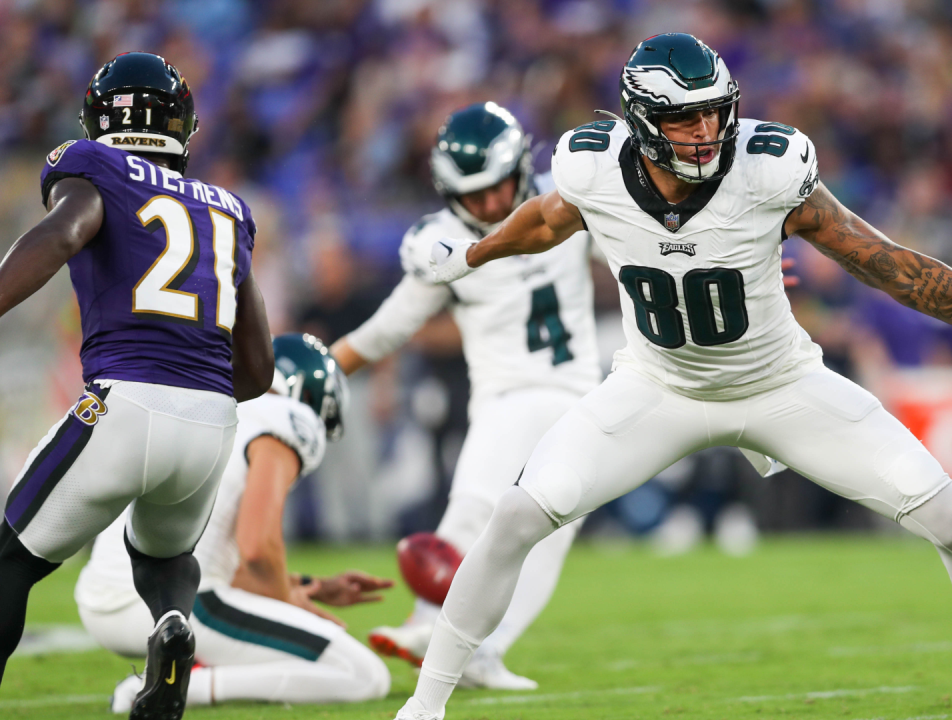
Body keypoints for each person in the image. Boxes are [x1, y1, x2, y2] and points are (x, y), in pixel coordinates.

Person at [395, 33, 952, 720]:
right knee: (519, 514)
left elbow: (893, 266)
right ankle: (424, 707)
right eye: (686, 121)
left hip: (780, 385)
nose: (707, 134)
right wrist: (469, 258)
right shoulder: (592, 167)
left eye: (715, 114)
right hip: (658, 388)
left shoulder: (768, 169)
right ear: (645, 123)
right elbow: (544, 221)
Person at [0, 52, 275, 720]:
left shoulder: (94, 167)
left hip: (124, 399)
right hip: (212, 420)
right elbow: (259, 369)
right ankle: (171, 624)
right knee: (165, 555)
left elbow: (65, 232)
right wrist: (190, 395)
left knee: (11, 560)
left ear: (99, 117)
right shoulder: (228, 210)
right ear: (182, 124)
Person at [328, 101, 601, 689]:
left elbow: (640, 251)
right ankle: (430, 624)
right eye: (471, 195)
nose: (487, 207)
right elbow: (388, 327)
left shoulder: (566, 201)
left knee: (544, 528)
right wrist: (321, 371)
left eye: (496, 188)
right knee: (476, 508)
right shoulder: (445, 241)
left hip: (577, 393)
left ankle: (473, 644)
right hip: (509, 396)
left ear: (522, 170)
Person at [75, 333, 393, 712]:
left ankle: (178, 676)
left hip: (112, 596)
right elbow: (257, 548)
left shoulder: (211, 402)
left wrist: (311, 586)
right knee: (364, 674)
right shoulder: (283, 418)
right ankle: (168, 688)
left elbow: (219, 558)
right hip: (178, 602)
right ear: (310, 399)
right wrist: (289, 604)